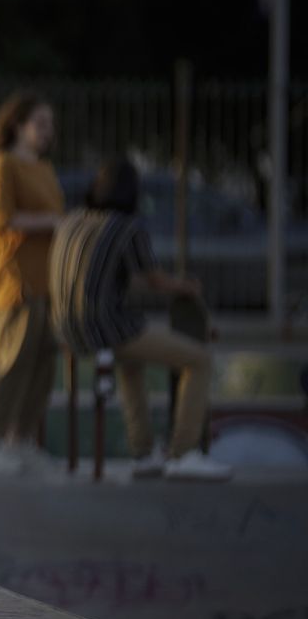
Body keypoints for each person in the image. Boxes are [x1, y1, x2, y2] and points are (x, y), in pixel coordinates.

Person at [50, 158, 231, 481]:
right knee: (200, 360)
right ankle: (183, 453)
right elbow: (155, 280)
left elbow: (102, 274)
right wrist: (185, 286)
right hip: (104, 327)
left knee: (132, 362)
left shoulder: (72, 220)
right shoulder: (125, 226)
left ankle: (143, 453)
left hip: (65, 329)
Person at [0, 92, 64, 475]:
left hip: (49, 283)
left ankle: (22, 441)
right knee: (11, 363)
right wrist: (53, 223)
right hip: (14, 281)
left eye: (50, 125)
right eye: (39, 124)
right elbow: (0, 221)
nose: (47, 132)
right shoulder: (2, 166)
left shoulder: (44, 169)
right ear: (17, 126)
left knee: (42, 365)